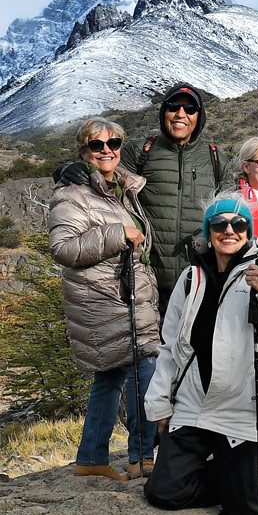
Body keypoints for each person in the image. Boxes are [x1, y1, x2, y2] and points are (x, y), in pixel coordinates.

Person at [144, 194, 258, 514]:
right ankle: (237, 479)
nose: (229, 230)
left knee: (248, 509)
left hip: (245, 411)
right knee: (164, 491)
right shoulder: (191, 278)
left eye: (239, 223)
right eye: (219, 223)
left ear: (249, 230)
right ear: (208, 231)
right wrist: (160, 402)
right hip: (194, 405)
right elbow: (169, 347)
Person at [54, 83, 231, 317]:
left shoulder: (215, 157)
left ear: (199, 117)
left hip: (201, 281)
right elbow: (103, 171)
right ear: (163, 112)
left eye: (189, 109)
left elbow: (230, 213)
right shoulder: (140, 152)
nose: (181, 114)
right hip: (150, 285)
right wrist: (68, 168)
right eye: (173, 107)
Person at [48, 117, 159, 481]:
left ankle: (91, 458)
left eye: (113, 143)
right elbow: (62, 249)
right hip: (104, 299)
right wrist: (117, 234)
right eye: (97, 145)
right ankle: (140, 456)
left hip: (124, 296)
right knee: (145, 370)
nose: (107, 150)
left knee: (109, 376)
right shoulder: (72, 194)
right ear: (84, 151)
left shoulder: (121, 187)